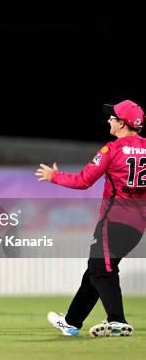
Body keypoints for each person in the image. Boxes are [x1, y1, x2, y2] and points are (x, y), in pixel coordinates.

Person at [36, 99, 145, 337]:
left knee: (101, 269)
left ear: (123, 123)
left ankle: (117, 321)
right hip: (136, 227)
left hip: (113, 221)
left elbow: (83, 181)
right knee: (94, 271)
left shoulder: (112, 149)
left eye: (112, 117)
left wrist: (54, 176)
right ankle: (72, 323)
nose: (109, 119)